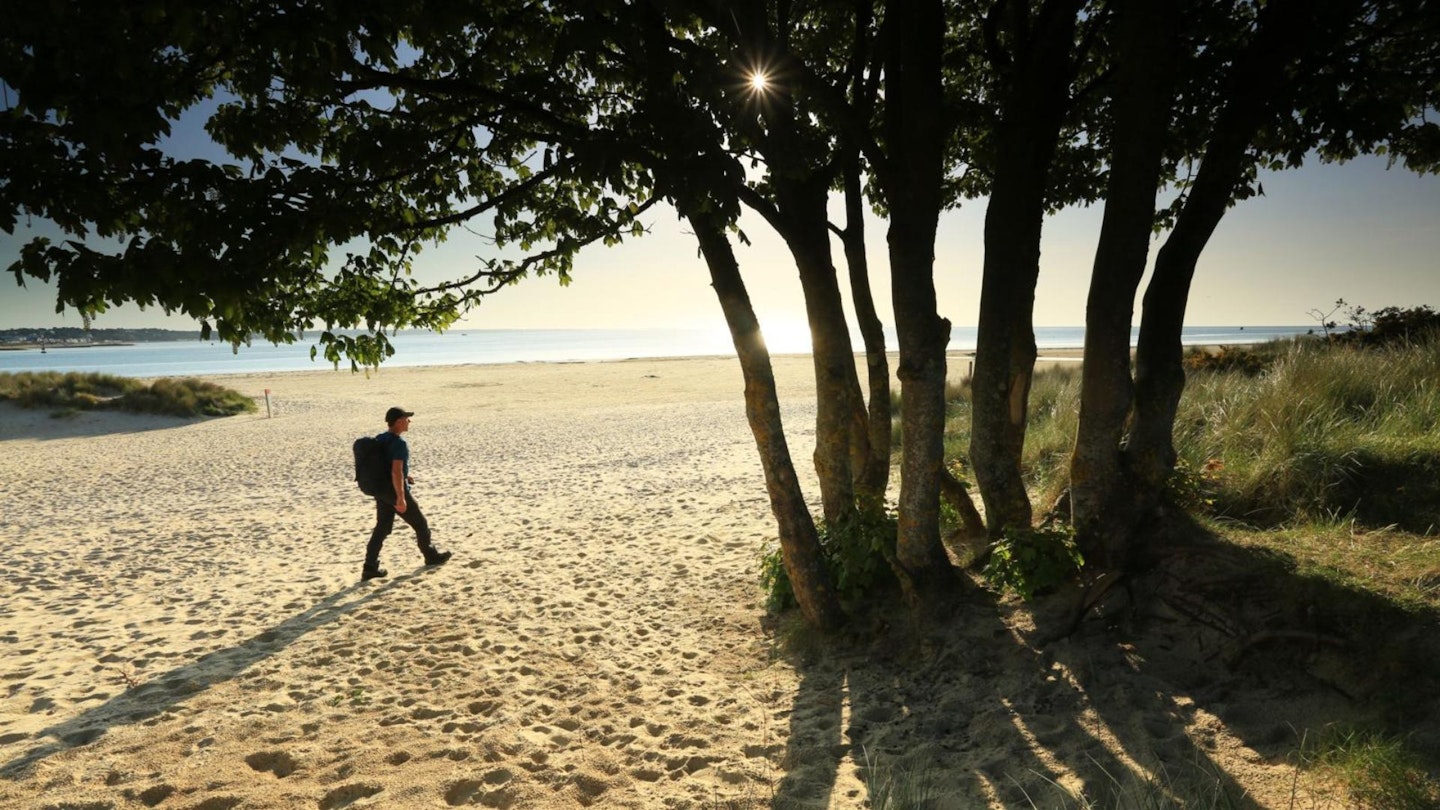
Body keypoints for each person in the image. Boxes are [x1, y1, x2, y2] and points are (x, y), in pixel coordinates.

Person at [362, 406, 452, 580]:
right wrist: (401, 498)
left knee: (381, 529)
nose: (409, 421)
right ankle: (431, 556)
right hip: (395, 491)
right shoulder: (399, 443)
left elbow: (386, 466)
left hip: (382, 491)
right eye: (406, 418)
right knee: (420, 524)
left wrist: (406, 474)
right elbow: (396, 471)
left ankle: (369, 567)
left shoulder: (381, 439)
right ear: (398, 422)